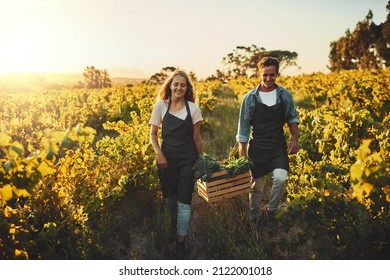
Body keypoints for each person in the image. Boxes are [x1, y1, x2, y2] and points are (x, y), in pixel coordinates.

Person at [236, 56, 299, 226]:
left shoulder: (284, 95)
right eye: (265, 75)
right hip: (257, 146)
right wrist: (242, 151)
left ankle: (271, 212)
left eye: (272, 75)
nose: (268, 79)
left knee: (281, 178)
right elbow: (243, 128)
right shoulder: (250, 98)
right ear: (260, 74)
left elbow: (292, 117)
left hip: (278, 145)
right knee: (257, 187)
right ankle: (254, 217)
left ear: (277, 74)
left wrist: (294, 138)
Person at [149, 69, 203, 259]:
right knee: (170, 199)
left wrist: (201, 161)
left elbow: (197, 139)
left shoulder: (193, 108)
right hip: (167, 160)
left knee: (184, 201)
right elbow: (153, 135)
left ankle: (181, 241)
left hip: (188, 160)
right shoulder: (161, 106)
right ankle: (174, 225)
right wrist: (160, 154)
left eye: (183, 85)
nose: (179, 87)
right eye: (176, 84)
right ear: (170, 86)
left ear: (187, 88)